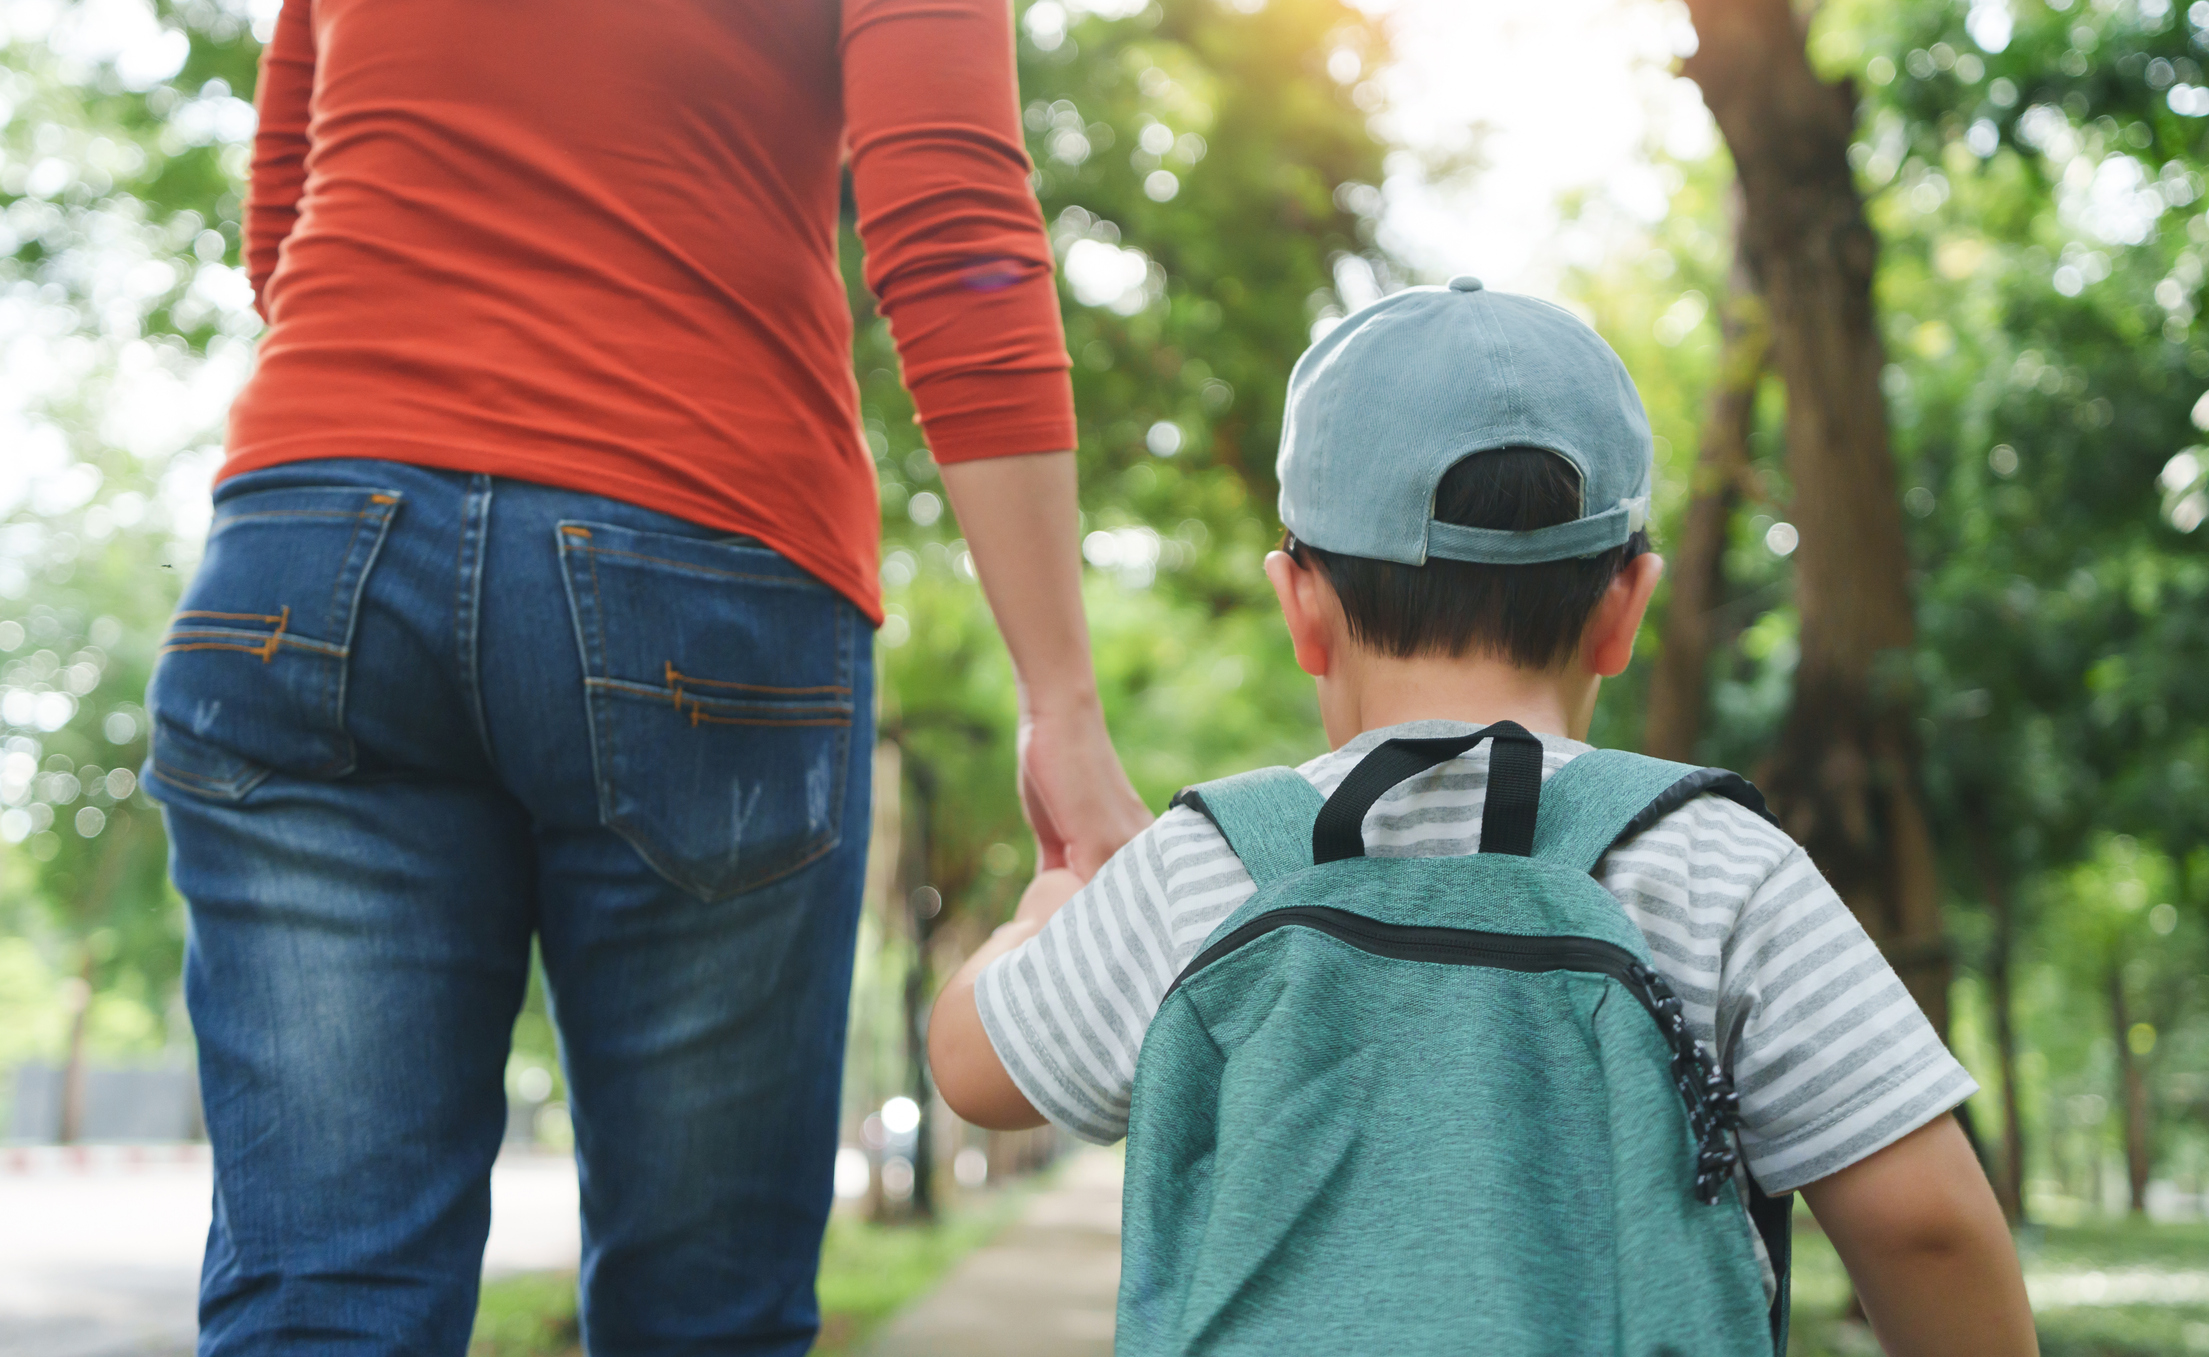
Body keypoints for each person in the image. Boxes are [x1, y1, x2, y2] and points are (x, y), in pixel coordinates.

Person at [142, 1, 1148, 1352]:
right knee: (704, 1316)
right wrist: (1059, 701)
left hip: (313, 546)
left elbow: (285, 218)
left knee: (319, 1301)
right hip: (701, 551)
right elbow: (950, 219)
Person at [930, 277, 2038, 1354]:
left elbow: (975, 1071)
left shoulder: (1210, 866)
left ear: (1298, 606)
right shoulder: (1717, 865)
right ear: (1628, 605)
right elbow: (1925, 1224)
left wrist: (1039, 916)